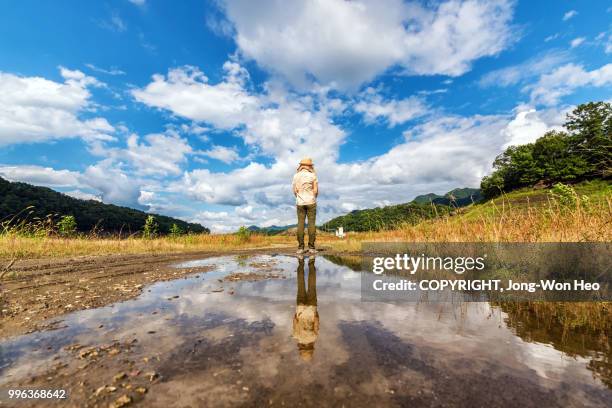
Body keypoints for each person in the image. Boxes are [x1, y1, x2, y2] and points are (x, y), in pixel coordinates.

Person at [292, 256, 319, 362]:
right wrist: (298, 311)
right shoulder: (296, 336)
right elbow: (294, 320)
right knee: (300, 284)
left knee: (312, 285)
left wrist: (315, 312)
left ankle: (311, 262)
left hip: (311, 309)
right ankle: (301, 262)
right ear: (301, 348)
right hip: (301, 308)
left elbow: (316, 320)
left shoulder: (314, 337)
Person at [292, 157, 318, 254]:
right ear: (310, 166)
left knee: (300, 224)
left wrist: (299, 197)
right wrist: (312, 197)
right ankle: (311, 247)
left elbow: (294, 191)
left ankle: (300, 248)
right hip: (311, 202)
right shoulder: (313, 175)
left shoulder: (295, 176)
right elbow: (315, 191)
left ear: (301, 165)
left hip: (300, 203)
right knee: (311, 224)